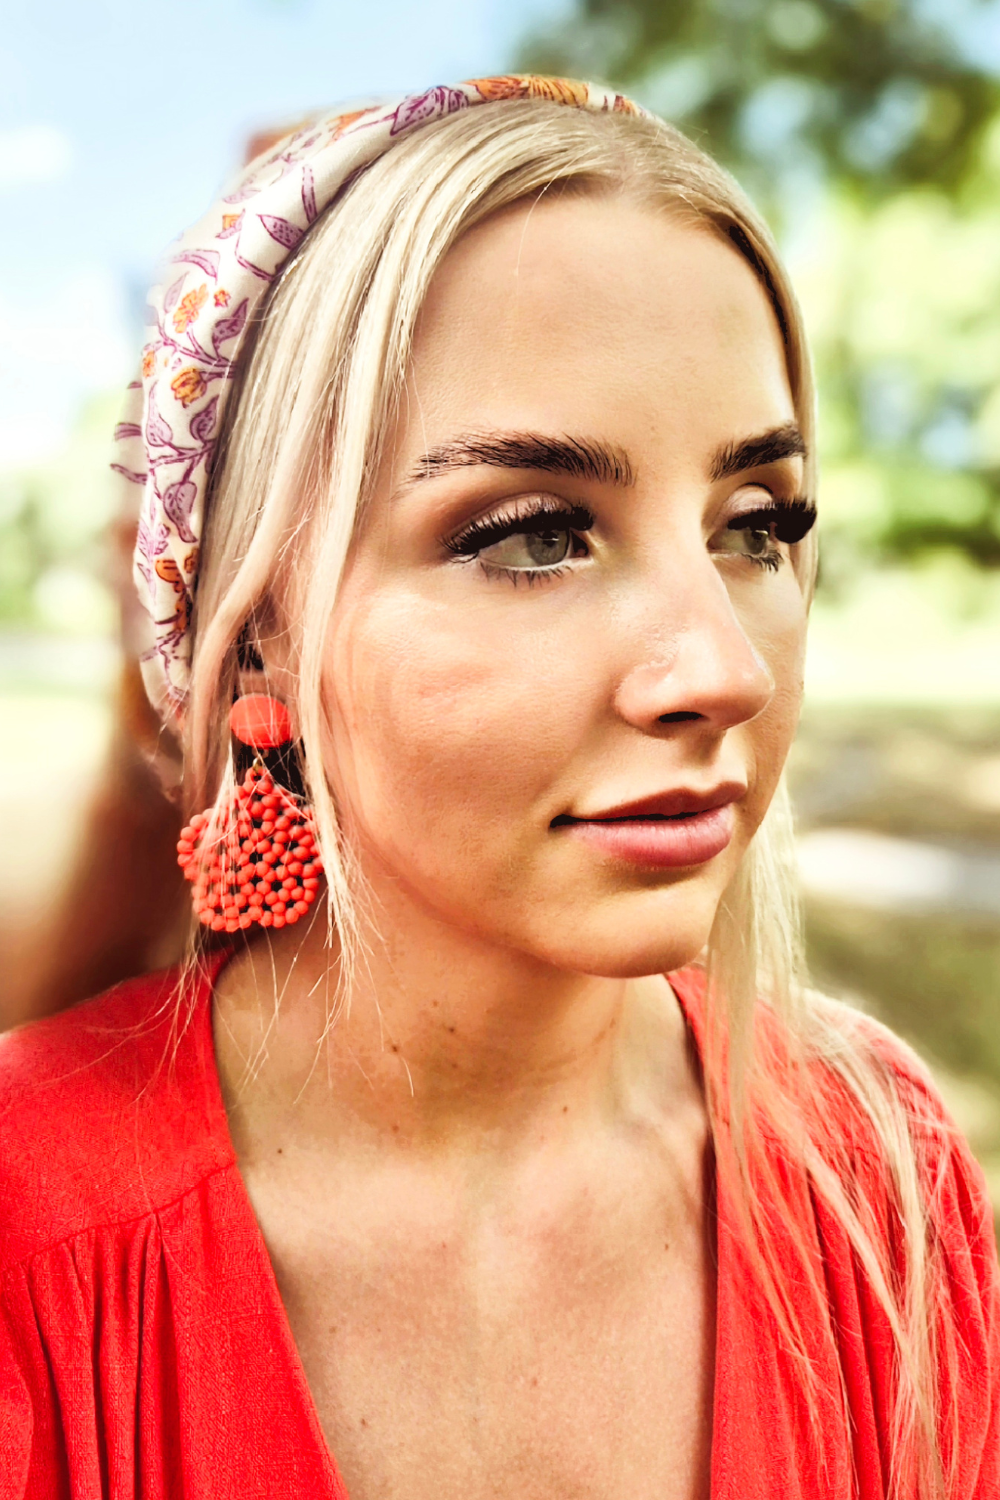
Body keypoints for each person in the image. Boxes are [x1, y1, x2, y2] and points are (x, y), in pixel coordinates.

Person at [0, 76, 996, 1500]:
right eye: (534, 535)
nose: (722, 667)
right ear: (259, 619)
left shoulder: (879, 1163)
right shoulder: (28, 1230)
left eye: (755, 526)